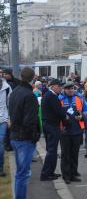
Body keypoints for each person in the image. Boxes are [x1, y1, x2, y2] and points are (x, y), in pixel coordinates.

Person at [8, 67, 41, 199]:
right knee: (23, 174)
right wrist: (34, 136)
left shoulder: (15, 92)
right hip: (24, 139)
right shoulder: (29, 95)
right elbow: (30, 120)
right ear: (33, 78)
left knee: (20, 173)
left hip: (15, 136)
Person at [59, 82, 87, 184]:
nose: (70, 90)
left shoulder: (80, 98)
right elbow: (56, 113)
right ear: (64, 90)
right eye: (68, 89)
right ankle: (66, 175)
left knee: (74, 154)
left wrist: (82, 116)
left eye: (72, 88)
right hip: (65, 131)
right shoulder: (60, 99)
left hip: (77, 130)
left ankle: (73, 173)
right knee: (65, 154)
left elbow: (86, 110)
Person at [40, 79, 68, 181]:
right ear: (52, 86)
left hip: (48, 125)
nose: (61, 88)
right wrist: (65, 117)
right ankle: (46, 173)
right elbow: (59, 112)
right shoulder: (52, 97)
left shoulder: (48, 95)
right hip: (52, 126)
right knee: (52, 150)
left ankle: (50, 172)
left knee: (51, 150)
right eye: (59, 86)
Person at [0, 75, 11, 177]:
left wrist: (9, 119)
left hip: (3, 119)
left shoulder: (7, 88)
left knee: (1, 142)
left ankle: (0, 168)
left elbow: (10, 104)